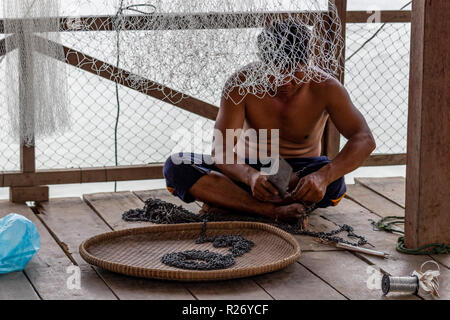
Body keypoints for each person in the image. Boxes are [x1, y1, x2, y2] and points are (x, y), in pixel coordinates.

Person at [163, 20, 376, 227]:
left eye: (294, 71)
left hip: (298, 175)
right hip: (249, 170)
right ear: (263, 64)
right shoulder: (241, 84)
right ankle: (271, 211)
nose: (285, 81)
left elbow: (364, 138)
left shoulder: (327, 87)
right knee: (176, 166)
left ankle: (231, 202)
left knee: (335, 183)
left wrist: (323, 177)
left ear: (308, 62)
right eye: (276, 71)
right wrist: (251, 176)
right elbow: (221, 150)